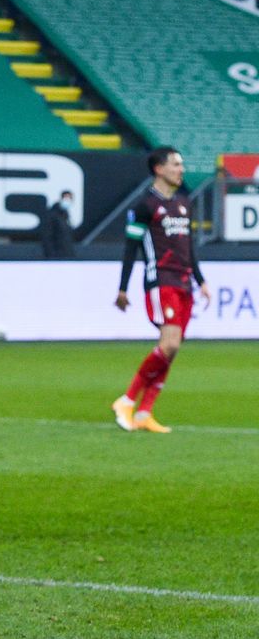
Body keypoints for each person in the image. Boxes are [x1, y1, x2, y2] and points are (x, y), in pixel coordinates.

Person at [112, 147, 211, 434]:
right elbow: (131, 247)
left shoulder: (184, 203)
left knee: (172, 349)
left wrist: (201, 280)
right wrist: (122, 288)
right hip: (161, 280)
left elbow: (189, 246)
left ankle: (145, 412)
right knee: (168, 344)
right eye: (176, 164)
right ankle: (128, 400)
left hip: (184, 282)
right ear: (159, 169)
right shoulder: (144, 207)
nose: (181, 169)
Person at [41, 190, 76, 259]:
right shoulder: (52, 215)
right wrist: (51, 255)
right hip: (56, 256)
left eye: (70, 199)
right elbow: (47, 236)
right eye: (66, 198)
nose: (68, 201)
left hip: (67, 255)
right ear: (61, 199)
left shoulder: (66, 216)